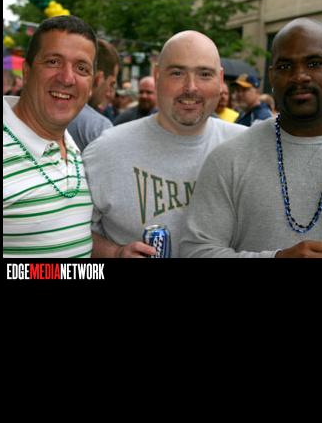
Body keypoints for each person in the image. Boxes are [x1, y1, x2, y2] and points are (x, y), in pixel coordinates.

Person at [181, 17, 322, 258]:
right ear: (271, 77)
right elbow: (195, 251)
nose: (299, 76)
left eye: (314, 63)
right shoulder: (229, 158)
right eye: (285, 66)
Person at [82, 30, 247, 257]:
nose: (191, 87)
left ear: (220, 80)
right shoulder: (105, 151)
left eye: (204, 74)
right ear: (157, 75)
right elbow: (72, 233)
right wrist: (116, 253)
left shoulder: (247, 148)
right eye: (177, 73)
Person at [3, 15, 98, 258]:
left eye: (82, 68)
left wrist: (116, 253)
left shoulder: (72, 146)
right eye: (53, 61)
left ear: (91, 85)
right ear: (27, 71)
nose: (67, 78)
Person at [67, 39, 120, 152]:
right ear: (98, 79)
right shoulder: (99, 127)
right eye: (111, 84)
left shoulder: (43, 110)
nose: (110, 93)